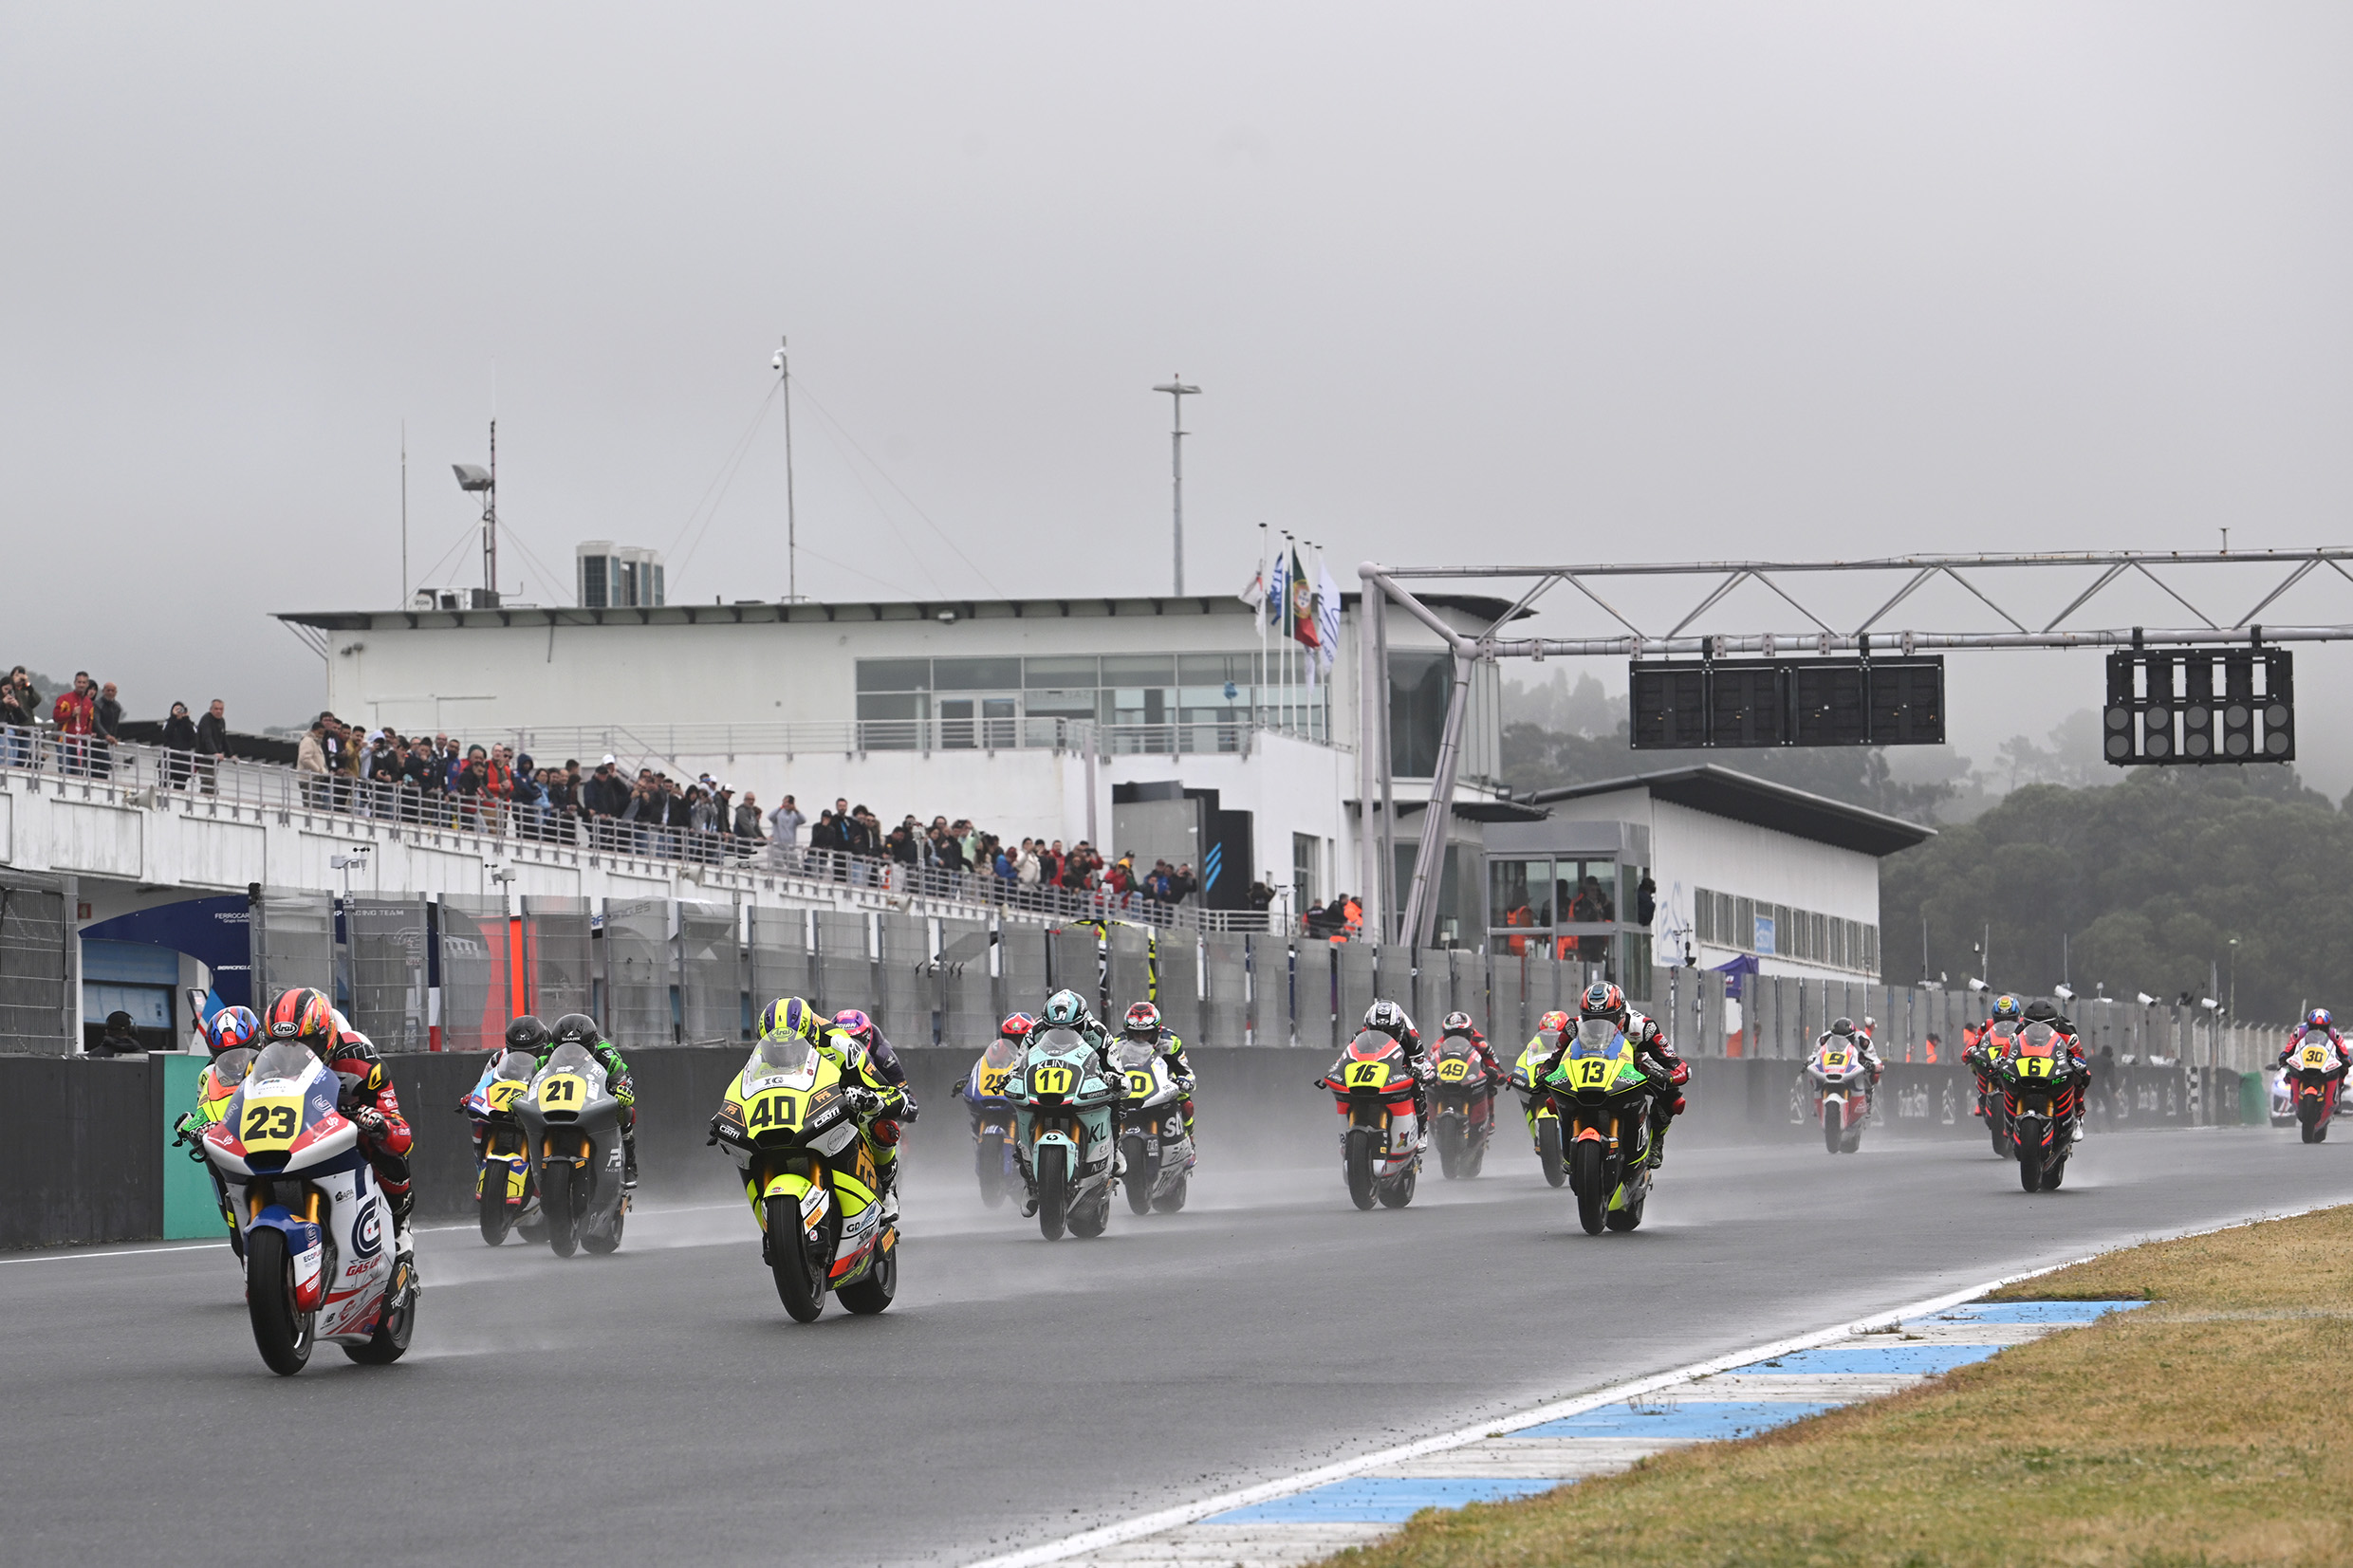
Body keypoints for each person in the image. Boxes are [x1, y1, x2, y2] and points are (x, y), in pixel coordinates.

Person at [262, 987, 416, 1259]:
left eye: (304, 1043)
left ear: (326, 1037)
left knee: (385, 1147)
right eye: (280, 1045)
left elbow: (401, 1131)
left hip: (347, 1127)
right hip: (293, 1130)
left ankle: (399, 1221)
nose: (291, 1055)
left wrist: (380, 1124)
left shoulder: (362, 1062)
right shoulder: (263, 1066)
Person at [749, 997, 908, 1212]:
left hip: (840, 1100)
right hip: (795, 1111)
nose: (784, 1054)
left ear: (812, 1035)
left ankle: (888, 1188)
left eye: (792, 1046)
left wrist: (871, 1100)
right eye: (776, 1048)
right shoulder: (759, 1057)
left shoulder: (839, 1044)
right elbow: (744, 1090)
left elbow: (889, 1092)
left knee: (879, 1123)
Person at [1536, 982, 1692, 1167]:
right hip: (1589, 1068)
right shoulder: (1573, 1026)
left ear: (1621, 1013)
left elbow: (1677, 1063)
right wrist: (1544, 1073)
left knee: (1672, 1096)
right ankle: (1569, 1144)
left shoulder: (1643, 1027)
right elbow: (1554, 1059)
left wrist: (1671, 1076)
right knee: (1555, 1094)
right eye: (1590, 1018)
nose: (1599, 1024)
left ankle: (1656, 1139)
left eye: (1606, 1018)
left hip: (1634, 1065)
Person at [826, 1007, 918, 1203]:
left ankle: (888, 1189)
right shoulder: (823, 1053)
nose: (848, 1046)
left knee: (886, 1128)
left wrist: (879, 1102)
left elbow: (907, 1101)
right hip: (835, 1107)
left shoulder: (884, 1056)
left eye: (855, 1041)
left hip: (871, 1109)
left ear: (867, 1037)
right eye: (842, 1040)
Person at [1119, 1001, 1196, 1138]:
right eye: (1136, 1034)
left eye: (1146, 1034)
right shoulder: (1117, 1044)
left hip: (1162, 1083)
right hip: (1130, 1086)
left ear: (1157, 1032)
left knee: (1185, 1101)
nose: (1141, 1039)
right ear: (1128, 1033)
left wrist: (1186, 1082)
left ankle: (1189, 1138)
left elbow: (1186, 1072)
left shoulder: (1171, 1042)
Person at [2018, 999, 2092, 1142]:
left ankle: (2078, 1117)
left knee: (2082, 1076)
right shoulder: (2019, 1032)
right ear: (2025, 1023)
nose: (2039, 1030)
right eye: (2033, 1025)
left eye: (2044, 1025)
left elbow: (2079, 1056)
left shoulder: (2067, 1034)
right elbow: (2007, 1050)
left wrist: (2077, 1063)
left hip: (2056, 1066)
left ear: (2054, 1024)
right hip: (2028, 1067)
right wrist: (2001, 1060)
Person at [1359, 998, 1433, 1125]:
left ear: (1400, 1029)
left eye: (1390, 1032)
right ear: (1368, 1028)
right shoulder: (1360, 1036)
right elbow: (1348, 1057)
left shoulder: (1412, 1040)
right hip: (1371, 1068)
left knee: (1417, 1088)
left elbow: (1420, 1066)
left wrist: (1414, 1072)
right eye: (1376, 1031)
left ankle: (1421, 1129)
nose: (1383, 1037)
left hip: (1399, 1067)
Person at [1963, 994, 2024, 1120]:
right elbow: (1976, 1039)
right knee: (1975, 1064)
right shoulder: (1987, 1025)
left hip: (2016, 1058)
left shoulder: (2024, 1024)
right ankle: (1982, 1093)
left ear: (2017, 1016)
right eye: (2000, 1019)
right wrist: (1968, 1052)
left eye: (2010, 1018)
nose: (2005, 1023)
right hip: (1993, 1056)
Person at [1815, 1017, 1884, 1111]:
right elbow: (1814, 1054)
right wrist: (1810, 1061)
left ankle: (1867, 1099)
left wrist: (1873, 1066)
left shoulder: (1863, 1040)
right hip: (1832, 1065)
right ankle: (1816, 1102)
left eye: (1845, 1039)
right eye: (1837, 1039)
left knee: (1872, 1075)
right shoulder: (1824, 1038)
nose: (1840, 1042)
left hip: (1854, 1064)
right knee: (1812, 1073)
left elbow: (1875, 1059)